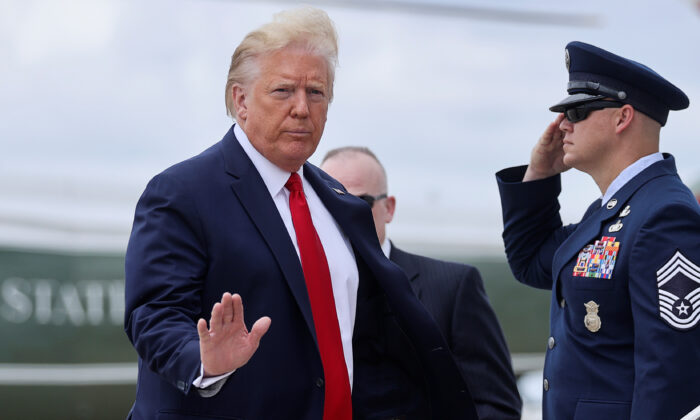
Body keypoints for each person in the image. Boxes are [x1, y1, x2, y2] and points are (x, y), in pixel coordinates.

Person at [124, 7, 477, 420]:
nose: (302, 109)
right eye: (283, 91)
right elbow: (153, 313)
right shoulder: (182, 193)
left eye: (316, 92)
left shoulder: (339, 200)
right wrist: (204, 361)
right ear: (240, 99)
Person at [495, 41, 700, 419]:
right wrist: (539, 174)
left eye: (577, 110)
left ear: (623, 118)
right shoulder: (613, 211)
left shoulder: (665, 214)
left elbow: (672, 374)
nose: (562, 125)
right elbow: (530, 261)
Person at [320, 146, 522, 420]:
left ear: (389, 208)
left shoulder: (454, 286)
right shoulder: (302, 290)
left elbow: (495, 403)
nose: (347, 213)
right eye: (330, 202)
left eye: (361, 201)